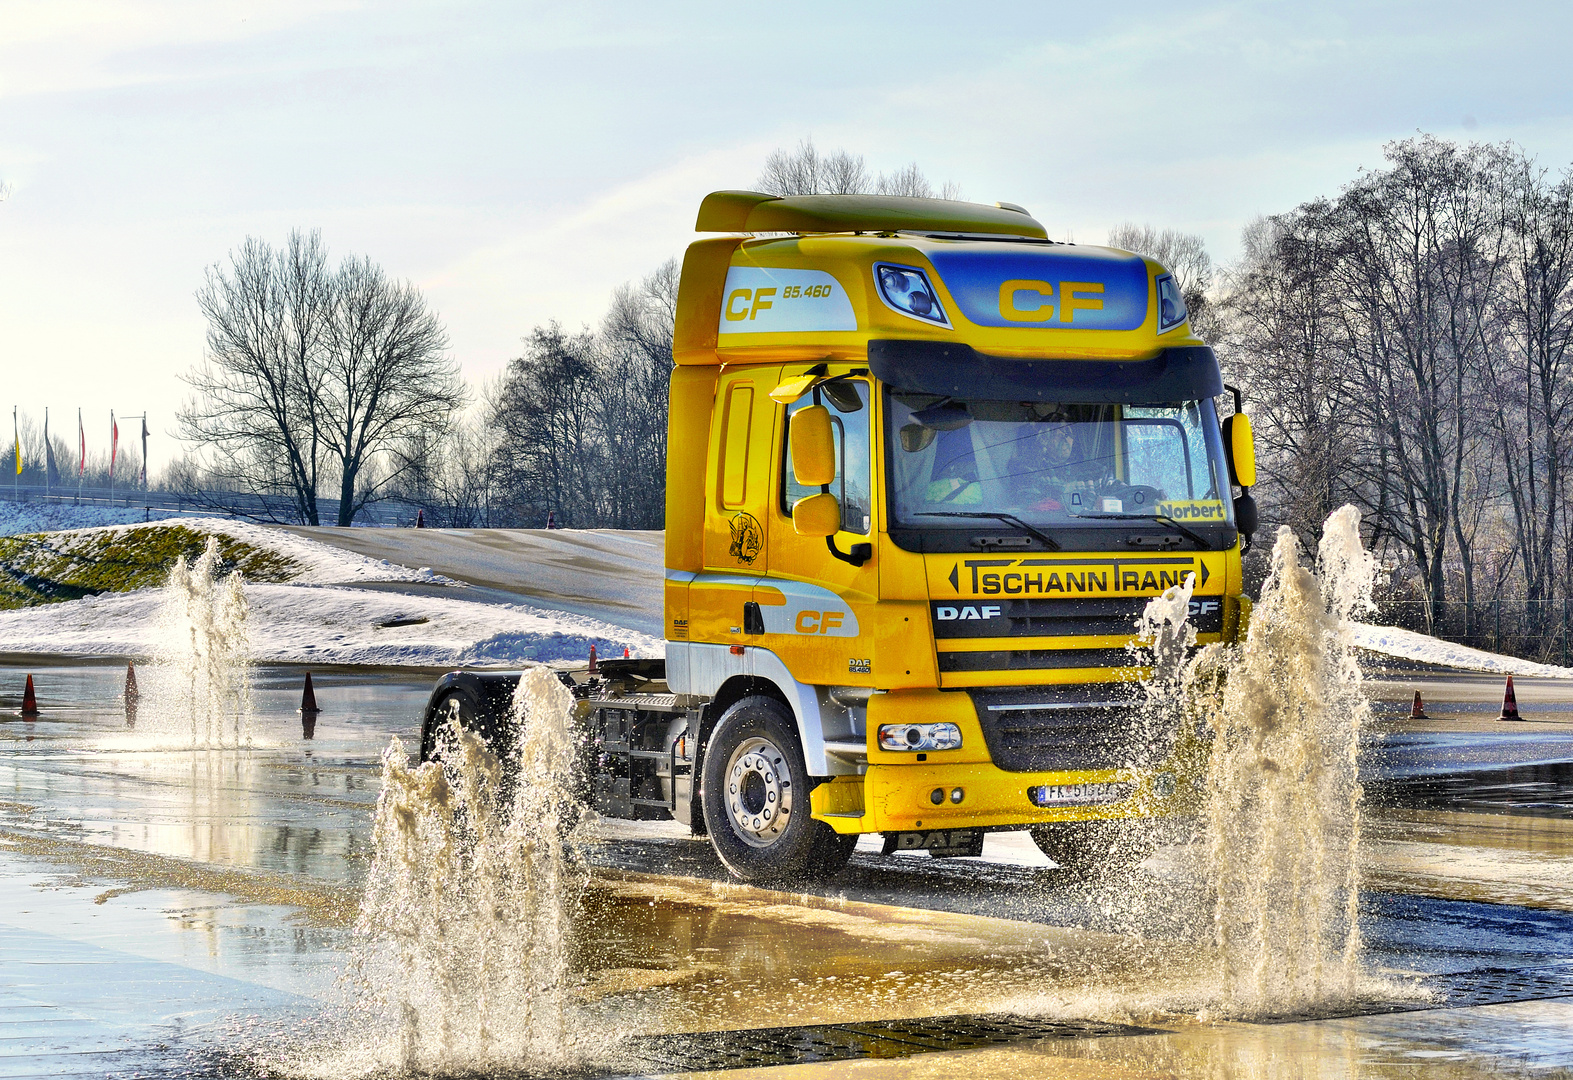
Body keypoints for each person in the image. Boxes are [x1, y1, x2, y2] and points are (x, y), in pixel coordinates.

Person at [1008, 413, 1109, 512]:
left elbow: (1123, 501)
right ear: (1043, 439)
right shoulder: (1028, 469)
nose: (1065, 438)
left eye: (1068, 434)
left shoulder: (1097, 471)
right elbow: (1031, 505)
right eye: (1058, 433)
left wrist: (1108, 502)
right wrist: (1090, 502)